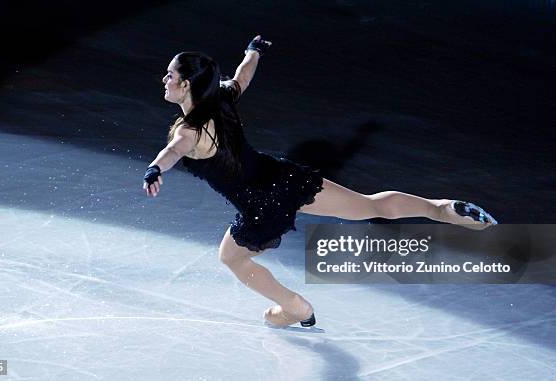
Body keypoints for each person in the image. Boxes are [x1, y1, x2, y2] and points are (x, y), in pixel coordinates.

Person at [143, 35, 497, 327]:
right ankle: (445, 209)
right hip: (283, 178)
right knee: (370, 204)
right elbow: (243, 76)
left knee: (232, 259)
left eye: (170, 75)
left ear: (186, 84)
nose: (165, 80)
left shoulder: (190, 130)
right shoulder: (222, 97)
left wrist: (155, 169)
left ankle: (294, 308)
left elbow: (175, 149)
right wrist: (254, 50)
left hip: (261, 206)